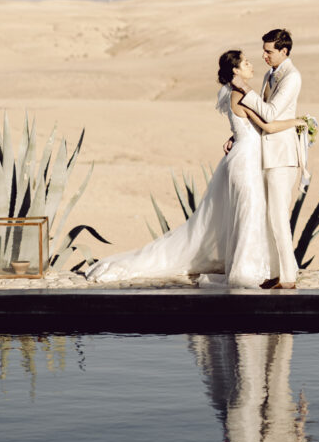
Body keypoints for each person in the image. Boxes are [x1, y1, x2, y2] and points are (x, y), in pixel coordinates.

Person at [86, 50, 303, 288]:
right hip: (246, 162)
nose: (252, 65)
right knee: (248, 212)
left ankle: (256, 266)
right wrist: (300, 121)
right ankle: (245, 271)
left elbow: (249, 127)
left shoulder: (236, 93)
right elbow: (268, 125)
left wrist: (233, 136)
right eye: (246, 63)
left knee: (249, 213)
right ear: (236, 71)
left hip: (245, 157)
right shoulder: (241, 94)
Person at [230, 28, 302, 290]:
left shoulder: (292, 77)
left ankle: (288, 277)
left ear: (284, 51)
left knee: (279, 216)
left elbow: (270, 114)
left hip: (281, 156)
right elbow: (256, 113)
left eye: (269, 51)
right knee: (269, 216)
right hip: (264, 154)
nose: (264, 55)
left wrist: (245, 90)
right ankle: (275, 273)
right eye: (264, 50)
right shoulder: (269, 75)